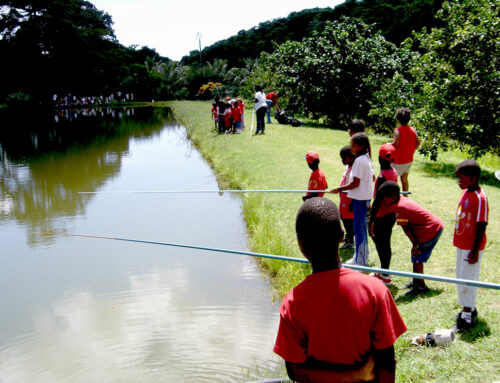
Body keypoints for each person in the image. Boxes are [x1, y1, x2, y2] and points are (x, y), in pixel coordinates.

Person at [274, 197, 407, 383]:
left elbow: (295, 370)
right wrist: (355, 375)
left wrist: (348, 376)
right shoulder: (375, 291)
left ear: (300, 244)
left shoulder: (293, 303)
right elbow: (386, 363)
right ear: (342, 235)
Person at [375, 182, 443, 296]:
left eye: (384, 199)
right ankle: (416, 280)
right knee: (416, 256)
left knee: (417, 257)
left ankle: (420, 286)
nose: (382, 202)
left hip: (430, 229)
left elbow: (407, 229)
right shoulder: (400, 201)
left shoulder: (399, 208)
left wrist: (415, 245)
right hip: (430, 227)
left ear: (393, 197)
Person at [453, 160, 489, 332]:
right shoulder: (466, 192)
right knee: (460, 276)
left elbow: (482, 224)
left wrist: (475, 250)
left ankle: (467, 316)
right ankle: (469, 308)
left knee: (468, 278)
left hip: (471, 247)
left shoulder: (480, 198)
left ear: (472, 178)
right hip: (462, 244)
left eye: (461, 178)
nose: (459, 181)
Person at [331, 133, 374, 266]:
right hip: (363, 198)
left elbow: (355, 183)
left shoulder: (360, 161)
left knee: (358, 230)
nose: (351, 147)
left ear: (360, 146)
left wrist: (340, 188)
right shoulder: (365, 157)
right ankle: (362, 256)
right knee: (362, 229)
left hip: (360, 199)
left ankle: (360, 261)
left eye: (353, 145)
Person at [369, 144, 398, 285]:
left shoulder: (382, 177)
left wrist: (371, 221)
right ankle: (384, 271)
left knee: (382, 245)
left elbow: (377, 201)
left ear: (379, 158)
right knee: (385, 243)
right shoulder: (393, 172)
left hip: (380, 216)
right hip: (390, 214)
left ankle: (385, 274)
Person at [391, 108, 420, 193]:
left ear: (398, 119)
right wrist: (411, 150)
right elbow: (418, 142)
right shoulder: (412, 130)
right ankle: (405, 197)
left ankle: (393, 197)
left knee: (393, 180)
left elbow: (395, 144)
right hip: (408, 159)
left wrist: (388, 145)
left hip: (398, 160)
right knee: (404, 179)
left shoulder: (397, 131)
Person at [338, 146, 355, 250]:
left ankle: (350, 240)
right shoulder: (348, 167)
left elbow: (354, 186)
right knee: (343, 217)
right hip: (344, 199)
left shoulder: (354, 170)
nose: (342, 160)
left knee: (348, 220)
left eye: (344, 157)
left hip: (349, 199)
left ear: (351, 157)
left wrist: (352, 202)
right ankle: (348, 237)